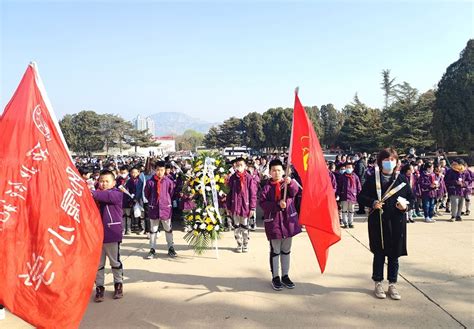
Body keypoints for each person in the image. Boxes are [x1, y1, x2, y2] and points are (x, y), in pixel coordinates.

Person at [357, 148, 414, 300]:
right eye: (386, 160)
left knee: (394, 254)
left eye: (392, 160)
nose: (389, 163)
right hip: (378, 222)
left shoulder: (402, 180)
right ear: (380, 162)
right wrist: (373, 202)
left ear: (396, 162)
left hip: (397, 222)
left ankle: (393, 284)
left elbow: (412, 199)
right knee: (379, 253)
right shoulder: (372, 179)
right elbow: (361, 197)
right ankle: (378, 283)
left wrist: (406, 207)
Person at [259, 159, 302, 291]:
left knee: (286, 250)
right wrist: (277, 205)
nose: (276, 173)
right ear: (270, 172)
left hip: (288, 222)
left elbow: (295, 192)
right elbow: (263, 204)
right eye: (273, 170)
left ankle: (285, 275)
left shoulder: (287, 184)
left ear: (283, 171)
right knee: (275, 251)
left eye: (279, 170)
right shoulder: (266, 187)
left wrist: (291, 183)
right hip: (274, 224)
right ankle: (275, 277)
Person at [91, 170, 124, 302]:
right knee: (98, 264)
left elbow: (107, 197)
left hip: (111, 233)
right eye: (101, 181)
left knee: (114, 262)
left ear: (113, 183)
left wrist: (90, 192)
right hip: (96, 235)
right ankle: (99, 287)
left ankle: (118, 284)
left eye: (107, 181)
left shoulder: (116, 194)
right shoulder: (96, 194)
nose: (104, 184)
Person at [144, 161, 177, 258]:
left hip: (165, 208)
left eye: (162, 170)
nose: (159, 172)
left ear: (165, 170)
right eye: (157, 170)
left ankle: (171, 247)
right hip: (154, 208)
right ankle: (152, 249)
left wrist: (165, 201)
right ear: (155, 170)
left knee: (168, 228)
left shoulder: (168, 181)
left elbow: (171, 193)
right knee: (153, 229)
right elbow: (147, 194)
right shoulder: (150, 182)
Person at [226, 157, 258, 253]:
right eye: (237, 165)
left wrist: (252, 207)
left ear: (245, 166)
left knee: (244, 226)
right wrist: (228, 206)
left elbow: (253, 193)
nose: (239, 167)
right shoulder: (232, 178)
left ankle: (245, 243)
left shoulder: (249, 178)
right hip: (234, 205)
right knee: (236, 226)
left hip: (245, 205)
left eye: (241, 165)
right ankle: (239, 243)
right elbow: (229, 192)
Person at [337, 162, 361, 228]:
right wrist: (338, 194)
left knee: (351, 210)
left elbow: (358, 186)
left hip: (353, 196)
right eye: (347, 167)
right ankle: (345, 223)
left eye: (349, 167)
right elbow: (339, 186)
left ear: (352, 168)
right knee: (344, 210)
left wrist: (359, 195)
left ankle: (350, 222)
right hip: (344, 196)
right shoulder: (342, 177)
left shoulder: (355, 177)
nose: (348, 169)